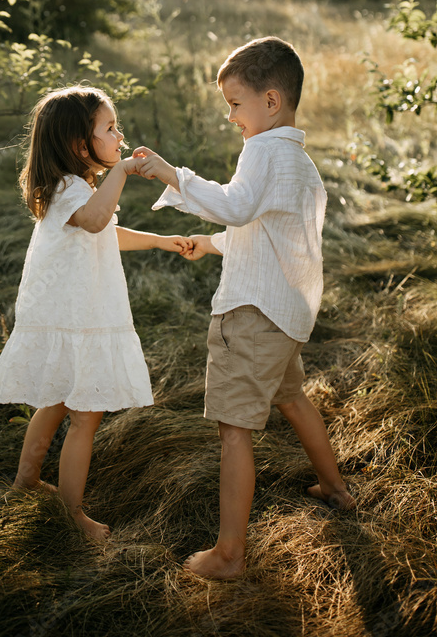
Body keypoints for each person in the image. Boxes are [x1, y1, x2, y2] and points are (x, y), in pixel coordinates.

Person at [133, 36, 356, 580]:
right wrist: (208, 244)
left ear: (272, 101)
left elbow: (235, 207)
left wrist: (170, 174)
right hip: (286, 314)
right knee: (292, 397)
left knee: (234, 428)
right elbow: (267, 230)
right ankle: (335, 488)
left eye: (236, 103)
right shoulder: (300, 163)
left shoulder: (263, 150)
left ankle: (229, 554)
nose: (231, 116)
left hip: (251, 314)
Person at [0, 85, 192, 541]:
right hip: (73, 315)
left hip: (74, 311)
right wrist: (121, 170)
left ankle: (25, 480)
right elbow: (97, 221)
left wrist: (161, 241)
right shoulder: (66, 189)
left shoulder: (76, 188)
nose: (120, 136)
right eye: (110, 128)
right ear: (81, 145)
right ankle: (72, 514)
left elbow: (106, 232)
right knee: (85, 413)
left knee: (58, 399)